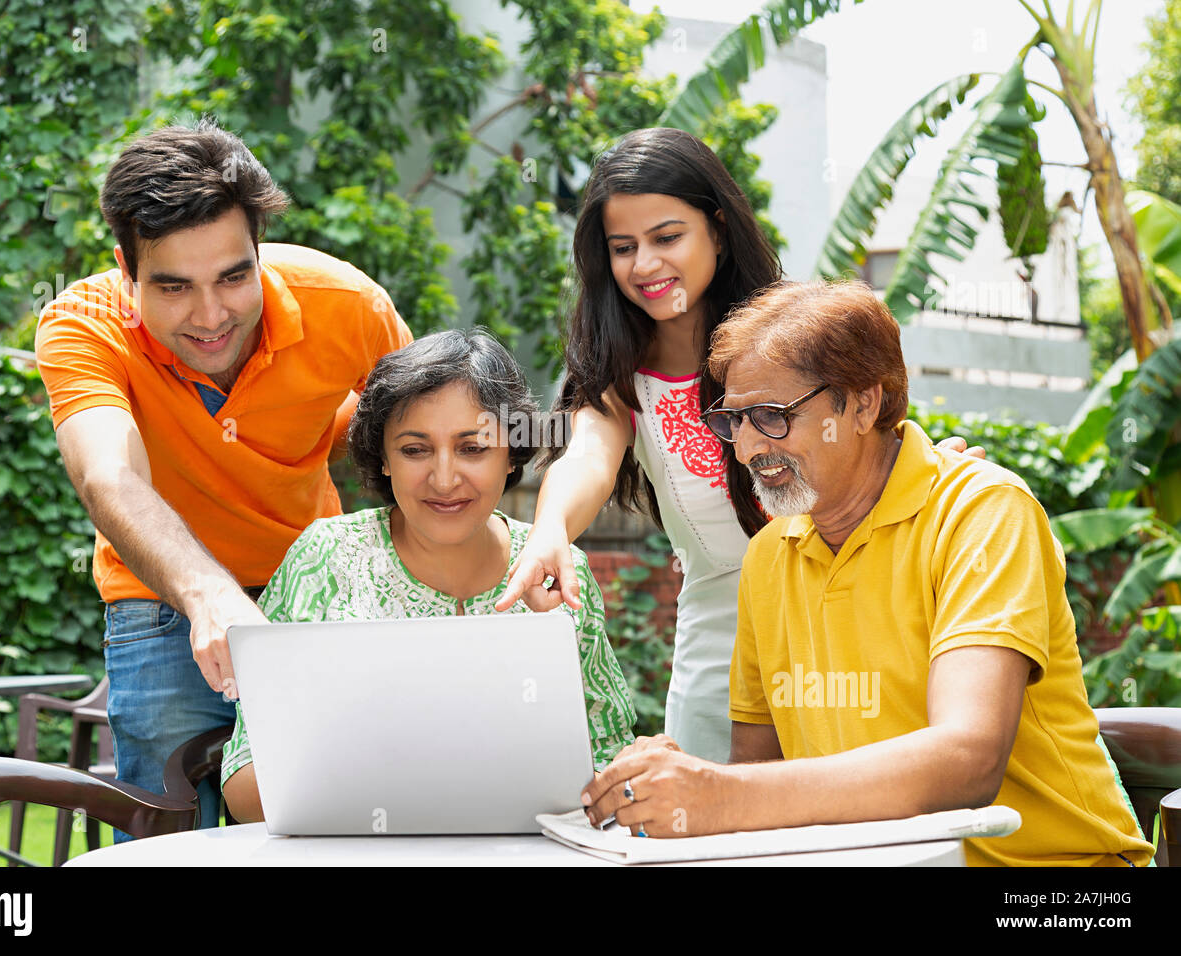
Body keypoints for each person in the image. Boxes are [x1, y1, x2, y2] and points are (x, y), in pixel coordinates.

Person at [580, 280, 1154, 867]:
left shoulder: (982, 514)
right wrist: (682, 780)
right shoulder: (769, 556)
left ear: (863, 403)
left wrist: (719, 793)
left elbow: (968, 761)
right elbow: (759, 773)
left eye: (771, 417)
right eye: (734, 420)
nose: (749, 448)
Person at [497, 127, 981, 762]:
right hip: (719, 659)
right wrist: (551, 529)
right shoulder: (620, 373)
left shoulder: (794, 337)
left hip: (853, 624)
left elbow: (870, 429)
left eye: (667, 237)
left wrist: (934, 479)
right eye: (623, 247)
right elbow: (587, 450)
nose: (645, 264)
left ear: (718, 230)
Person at [34, 119, 412, 838]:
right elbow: (109, 475)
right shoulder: (82, 326)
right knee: (170, 829)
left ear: (259, 253)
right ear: (126, 271)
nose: (211, 317)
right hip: (162, 603)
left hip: (313, 593)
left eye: (235, 277)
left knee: (341, 816)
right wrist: (210, 596)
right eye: (174, 287)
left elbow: (424, 439)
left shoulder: (348, 306)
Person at [221, 330, 636, 821]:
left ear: (511, 455)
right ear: (383, 458)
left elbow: (610, 760)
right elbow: (247, 784)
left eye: (473, 449)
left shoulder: (556, 571)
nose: (443, 479)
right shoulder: (325, 560)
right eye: (416, 450)